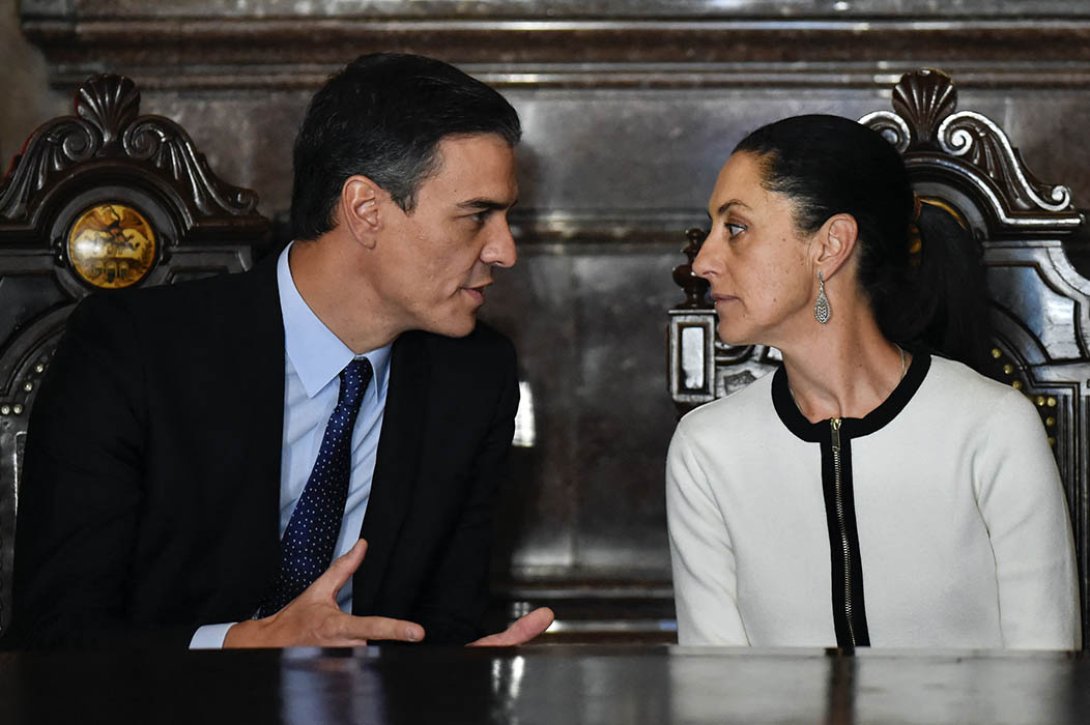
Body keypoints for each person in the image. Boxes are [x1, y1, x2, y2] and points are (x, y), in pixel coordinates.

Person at [6, 53, 553, 650]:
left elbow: (442, 623)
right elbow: (53, 639)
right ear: (366, 210)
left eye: (506, 218)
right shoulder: (132, 351)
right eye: (476, 217)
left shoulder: (475, 377)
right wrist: (244, 643)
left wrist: (457, 679)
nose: (504, 251)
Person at [666, 114, 1080, 649]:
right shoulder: (707, 450)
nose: (703, 261)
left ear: (830, 244)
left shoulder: (992, 429)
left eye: (736, 228)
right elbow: (717, 692)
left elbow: (1043, 682)